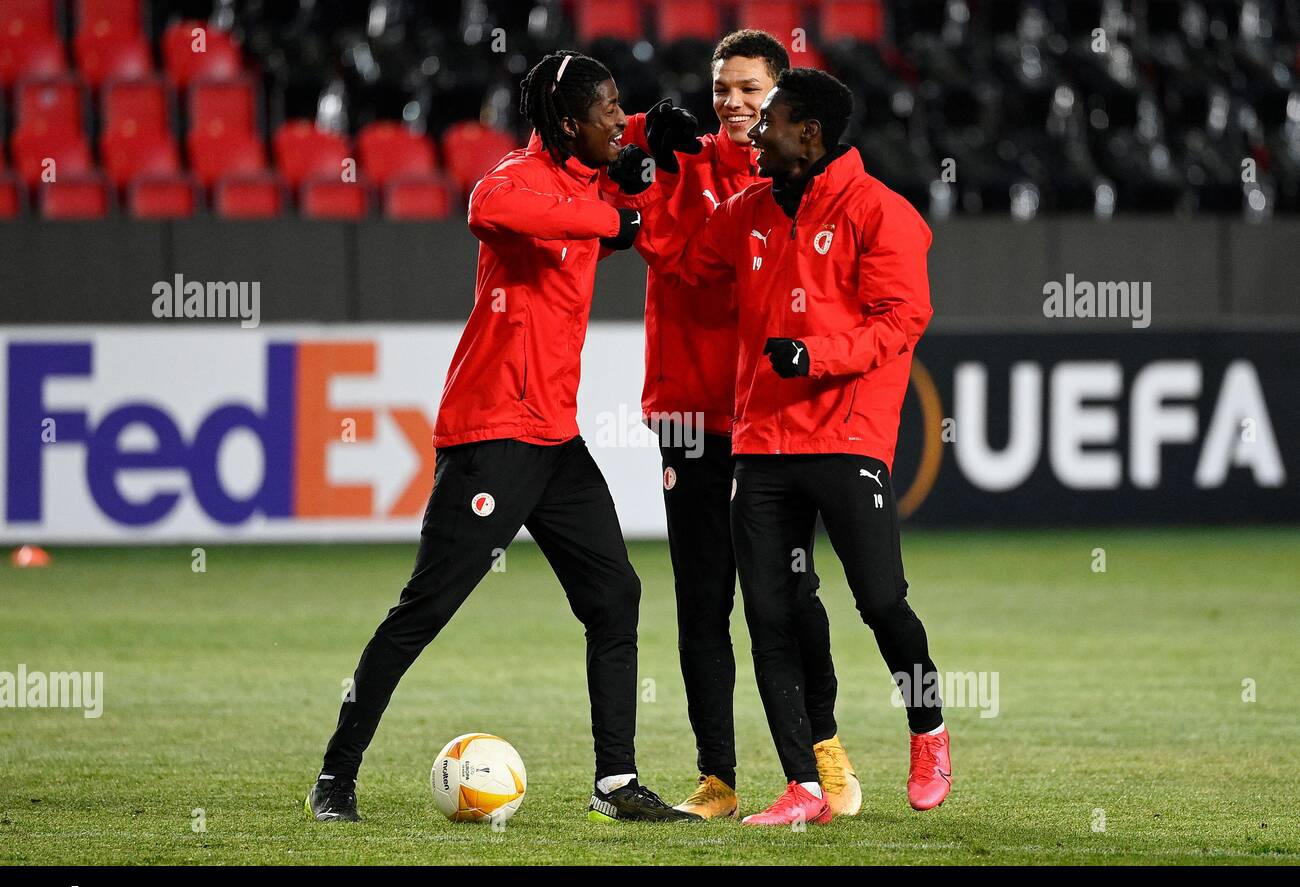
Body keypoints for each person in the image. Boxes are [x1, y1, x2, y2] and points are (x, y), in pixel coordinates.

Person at [306, 51, 695, 825]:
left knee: (616, 595)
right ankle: (334, 777)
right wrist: (614, 216)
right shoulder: (517, 179)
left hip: (553, 438)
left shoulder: (585, 175)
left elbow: (611, 174)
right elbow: (489, 207)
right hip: (491, 434)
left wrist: (655, 127)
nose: (620, 120)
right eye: (608, 109)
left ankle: (615, 785)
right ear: (564, 123)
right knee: (425, 609)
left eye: (624, 106)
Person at [635, 69, 952, 826]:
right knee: (769, 613)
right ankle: (804, 787)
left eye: (768, 117)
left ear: (808, 132)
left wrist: (818, 355)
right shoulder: (747, 211)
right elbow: (677, 262)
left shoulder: (882, 213)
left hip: (845, 436)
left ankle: (928, 727)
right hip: (762, 444)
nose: (755, 130)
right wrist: (648, 176)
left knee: (880, 601)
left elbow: (902, 320)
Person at [609, 31, 860, 820]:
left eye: (752, 90)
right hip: (687, 408)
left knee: (789, 594)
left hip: (771, 414)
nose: (735, 104)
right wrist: (652, 136)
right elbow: (593, 133)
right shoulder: (681, 156)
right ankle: (718, 777)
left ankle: (824, 759)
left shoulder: (799, 177)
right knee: (701, 598)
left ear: (783, 99)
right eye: (724, 89)